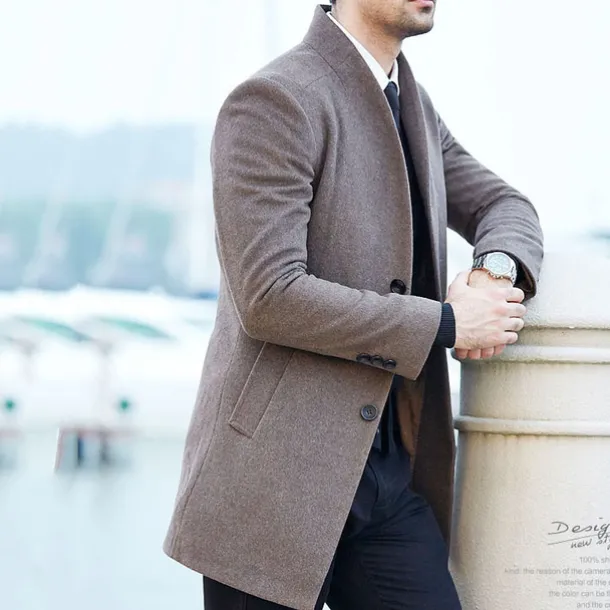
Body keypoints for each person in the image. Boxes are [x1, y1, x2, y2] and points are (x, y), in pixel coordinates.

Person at [163, 2, 544, 609]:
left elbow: (504, 204)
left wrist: (491, 273)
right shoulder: (274, 100)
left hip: (389, 477)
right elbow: (270, 295)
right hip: (272, 483)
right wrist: (446, 323)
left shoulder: (413, 105)